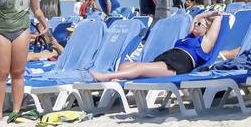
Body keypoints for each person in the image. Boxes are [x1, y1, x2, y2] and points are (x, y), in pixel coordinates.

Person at [87, 10, 223, 81]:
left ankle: (106, 77)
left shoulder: (205, 43)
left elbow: (218, 19)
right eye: (196, 23)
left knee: (140, 67)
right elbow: (197, 17)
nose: (196, 24)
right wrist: (204, 16)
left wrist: (215, 15)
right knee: (125, 65)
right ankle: (118, 78)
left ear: (207, 30)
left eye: (200, 25)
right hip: (169, 57)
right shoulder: (189, 36)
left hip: (180, 63)